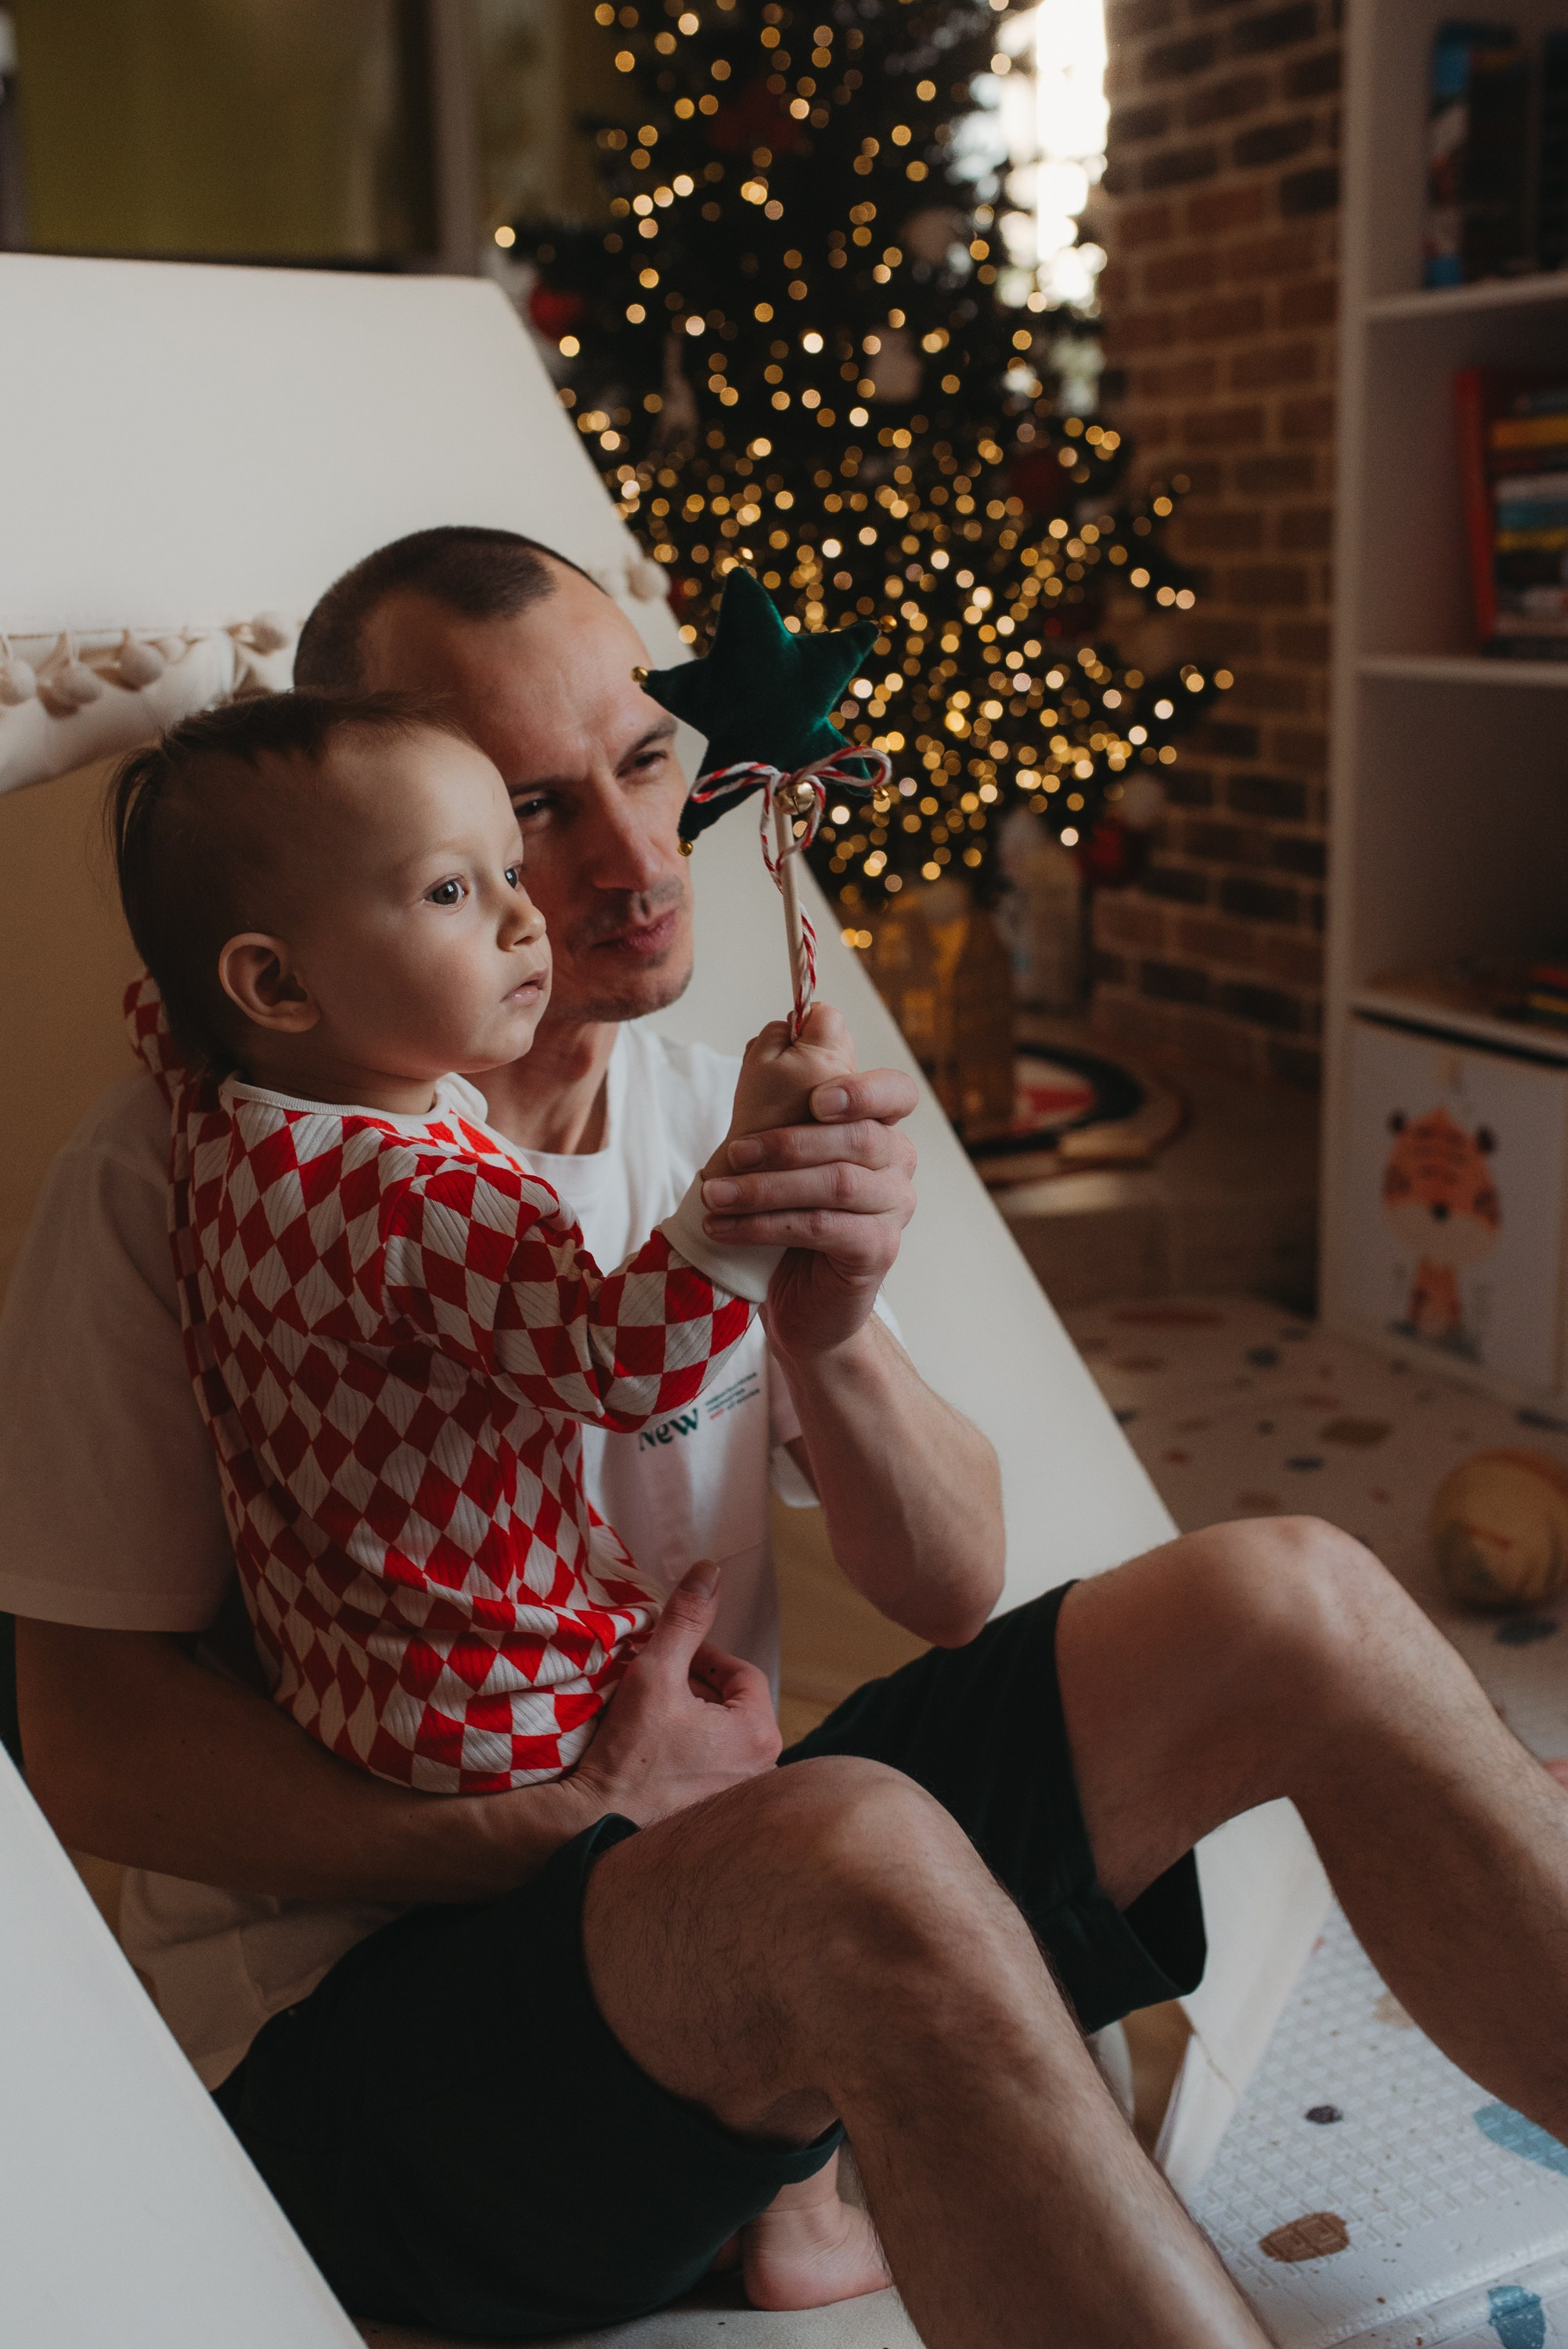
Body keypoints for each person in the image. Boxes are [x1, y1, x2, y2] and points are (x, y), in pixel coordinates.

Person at [8, 532, 1568, 2349]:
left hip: (710, 1915)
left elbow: (953, 1585)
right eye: (523, 814)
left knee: (1298, 1595)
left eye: (648, 763)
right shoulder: (187, 1179)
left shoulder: (701, 1111)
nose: (620, 861)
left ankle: (815, 2146)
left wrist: (831, 1336)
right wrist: (571, 1828)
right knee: (852, 1846)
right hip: (381, 2041)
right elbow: (89, 1750)